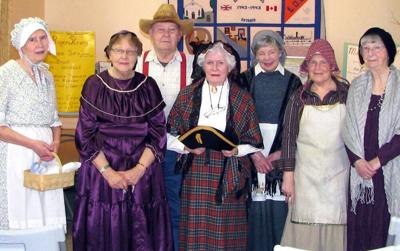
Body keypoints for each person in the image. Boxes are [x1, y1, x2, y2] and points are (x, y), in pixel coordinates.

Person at [73, 30, 172, 251]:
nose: (124, 56)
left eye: (130, 51)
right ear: (109, 53)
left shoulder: (148, 85)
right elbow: (85, 136)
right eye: (118, 50)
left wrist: (138, 170)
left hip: (143, 172)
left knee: (142, 233)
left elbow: (158, 134)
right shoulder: (94, 85)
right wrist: (108, 173)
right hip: (102, 173)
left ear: (138, 55)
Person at [167, 41, 263, 250]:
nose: (215, 68)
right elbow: (168, 133)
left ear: (229, 67)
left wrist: (237, 150)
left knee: (225, 235)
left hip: (230, 173)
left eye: (220, 63)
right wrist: (185, 147)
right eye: (210, 63)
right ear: (203, 66)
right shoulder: (187, 94)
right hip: (195, 171)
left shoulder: (242, 98)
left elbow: (254, 140)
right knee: (195, 234)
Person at [276, 39, 350, 251]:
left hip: (339, 175)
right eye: (313, 62)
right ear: (306, 67)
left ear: (332, 66)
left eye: (323, 62)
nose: (318, 68)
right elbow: (288, 138)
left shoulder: (347, 94)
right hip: (305, 177)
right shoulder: (298, 98)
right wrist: (288, 176)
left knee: (336, 225)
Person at [0, 17, 66, 230]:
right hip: (17, 153)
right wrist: (32, 144)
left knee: (45, 206)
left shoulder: (47, 75)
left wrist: (55, 142)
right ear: (21, 44)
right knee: (22, 205)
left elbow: (54, 120)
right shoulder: (6, 74)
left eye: (42, 38)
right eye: (32, 40)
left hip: (45, 154)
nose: (39, 45)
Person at [240, 30, 302, 251]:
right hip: (250, 149)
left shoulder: (294, 82)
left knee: (278, 207)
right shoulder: (243, 79)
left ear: (281, 52)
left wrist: (280, 154)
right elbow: (236, 121)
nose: (267, 57)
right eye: (261, 52)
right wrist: (255, 154)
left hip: (282, 146)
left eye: (272, 51)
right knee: (255, 207)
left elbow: (298, 123)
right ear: (255, 54)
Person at [137, 4, 193, 250]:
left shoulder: (194, 65)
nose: (167, 35)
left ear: (180, 35)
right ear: (150, 33)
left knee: (176, 207)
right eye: (161, 29)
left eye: (172, 29)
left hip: (178, 150)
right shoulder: (136, 64)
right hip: (141, 149)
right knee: (141, 206)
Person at [343, 27, 400, 250]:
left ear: (388, 51)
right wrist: (357, 162)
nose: (370, 52)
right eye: (365, 48)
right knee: (359, 232)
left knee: (382, 233)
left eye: (377, 47)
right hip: (360, 174)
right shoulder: (356, 86)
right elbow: (348, 130)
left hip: (387, 171)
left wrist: (377, 161)